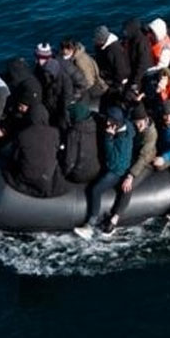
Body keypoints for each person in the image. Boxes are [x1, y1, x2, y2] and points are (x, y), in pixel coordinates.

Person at [74, 107, 134, 239]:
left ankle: (90, 223)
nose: (107, 123)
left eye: (110, 121)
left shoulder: (122, 141)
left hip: (117, 171)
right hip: (118, 165)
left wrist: (108, 137)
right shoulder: (128, 126)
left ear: (116, 124)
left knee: (95, 190)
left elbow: (112, 163)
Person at [101, 104, 157, 236]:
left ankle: (115, 218)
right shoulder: (132, 126)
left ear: (146, 119)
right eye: (136, 123)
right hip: (132, 157)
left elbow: (143, 157)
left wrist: (131, 176)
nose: (138, 126)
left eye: (140, 123)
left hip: (145, 163)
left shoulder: (151, 134)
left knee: (127, 187)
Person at [5, 99, 63, 197]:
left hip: (25, 176)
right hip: (46, 178)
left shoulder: (23, 134)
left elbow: (15, 157)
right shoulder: (55, 133)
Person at [61, 102, 101, 185]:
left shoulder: (73, 133)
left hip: (79, 175)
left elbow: (69, 160)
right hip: (96, 170)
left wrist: (63, 174)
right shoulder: (95, 126)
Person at [62, 39, 105, 104]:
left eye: (64, 49)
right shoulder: (78, 55)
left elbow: (89, 80)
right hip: (88, 84)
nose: (62, 52)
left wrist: (79, 92)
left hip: (92, 87)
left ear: (70, 49)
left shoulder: (79, 61)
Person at [94, 25, 131, 92]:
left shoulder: (114, 50)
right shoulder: (102, 47)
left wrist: (117, 84)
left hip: (117, 80)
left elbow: (120, 69)